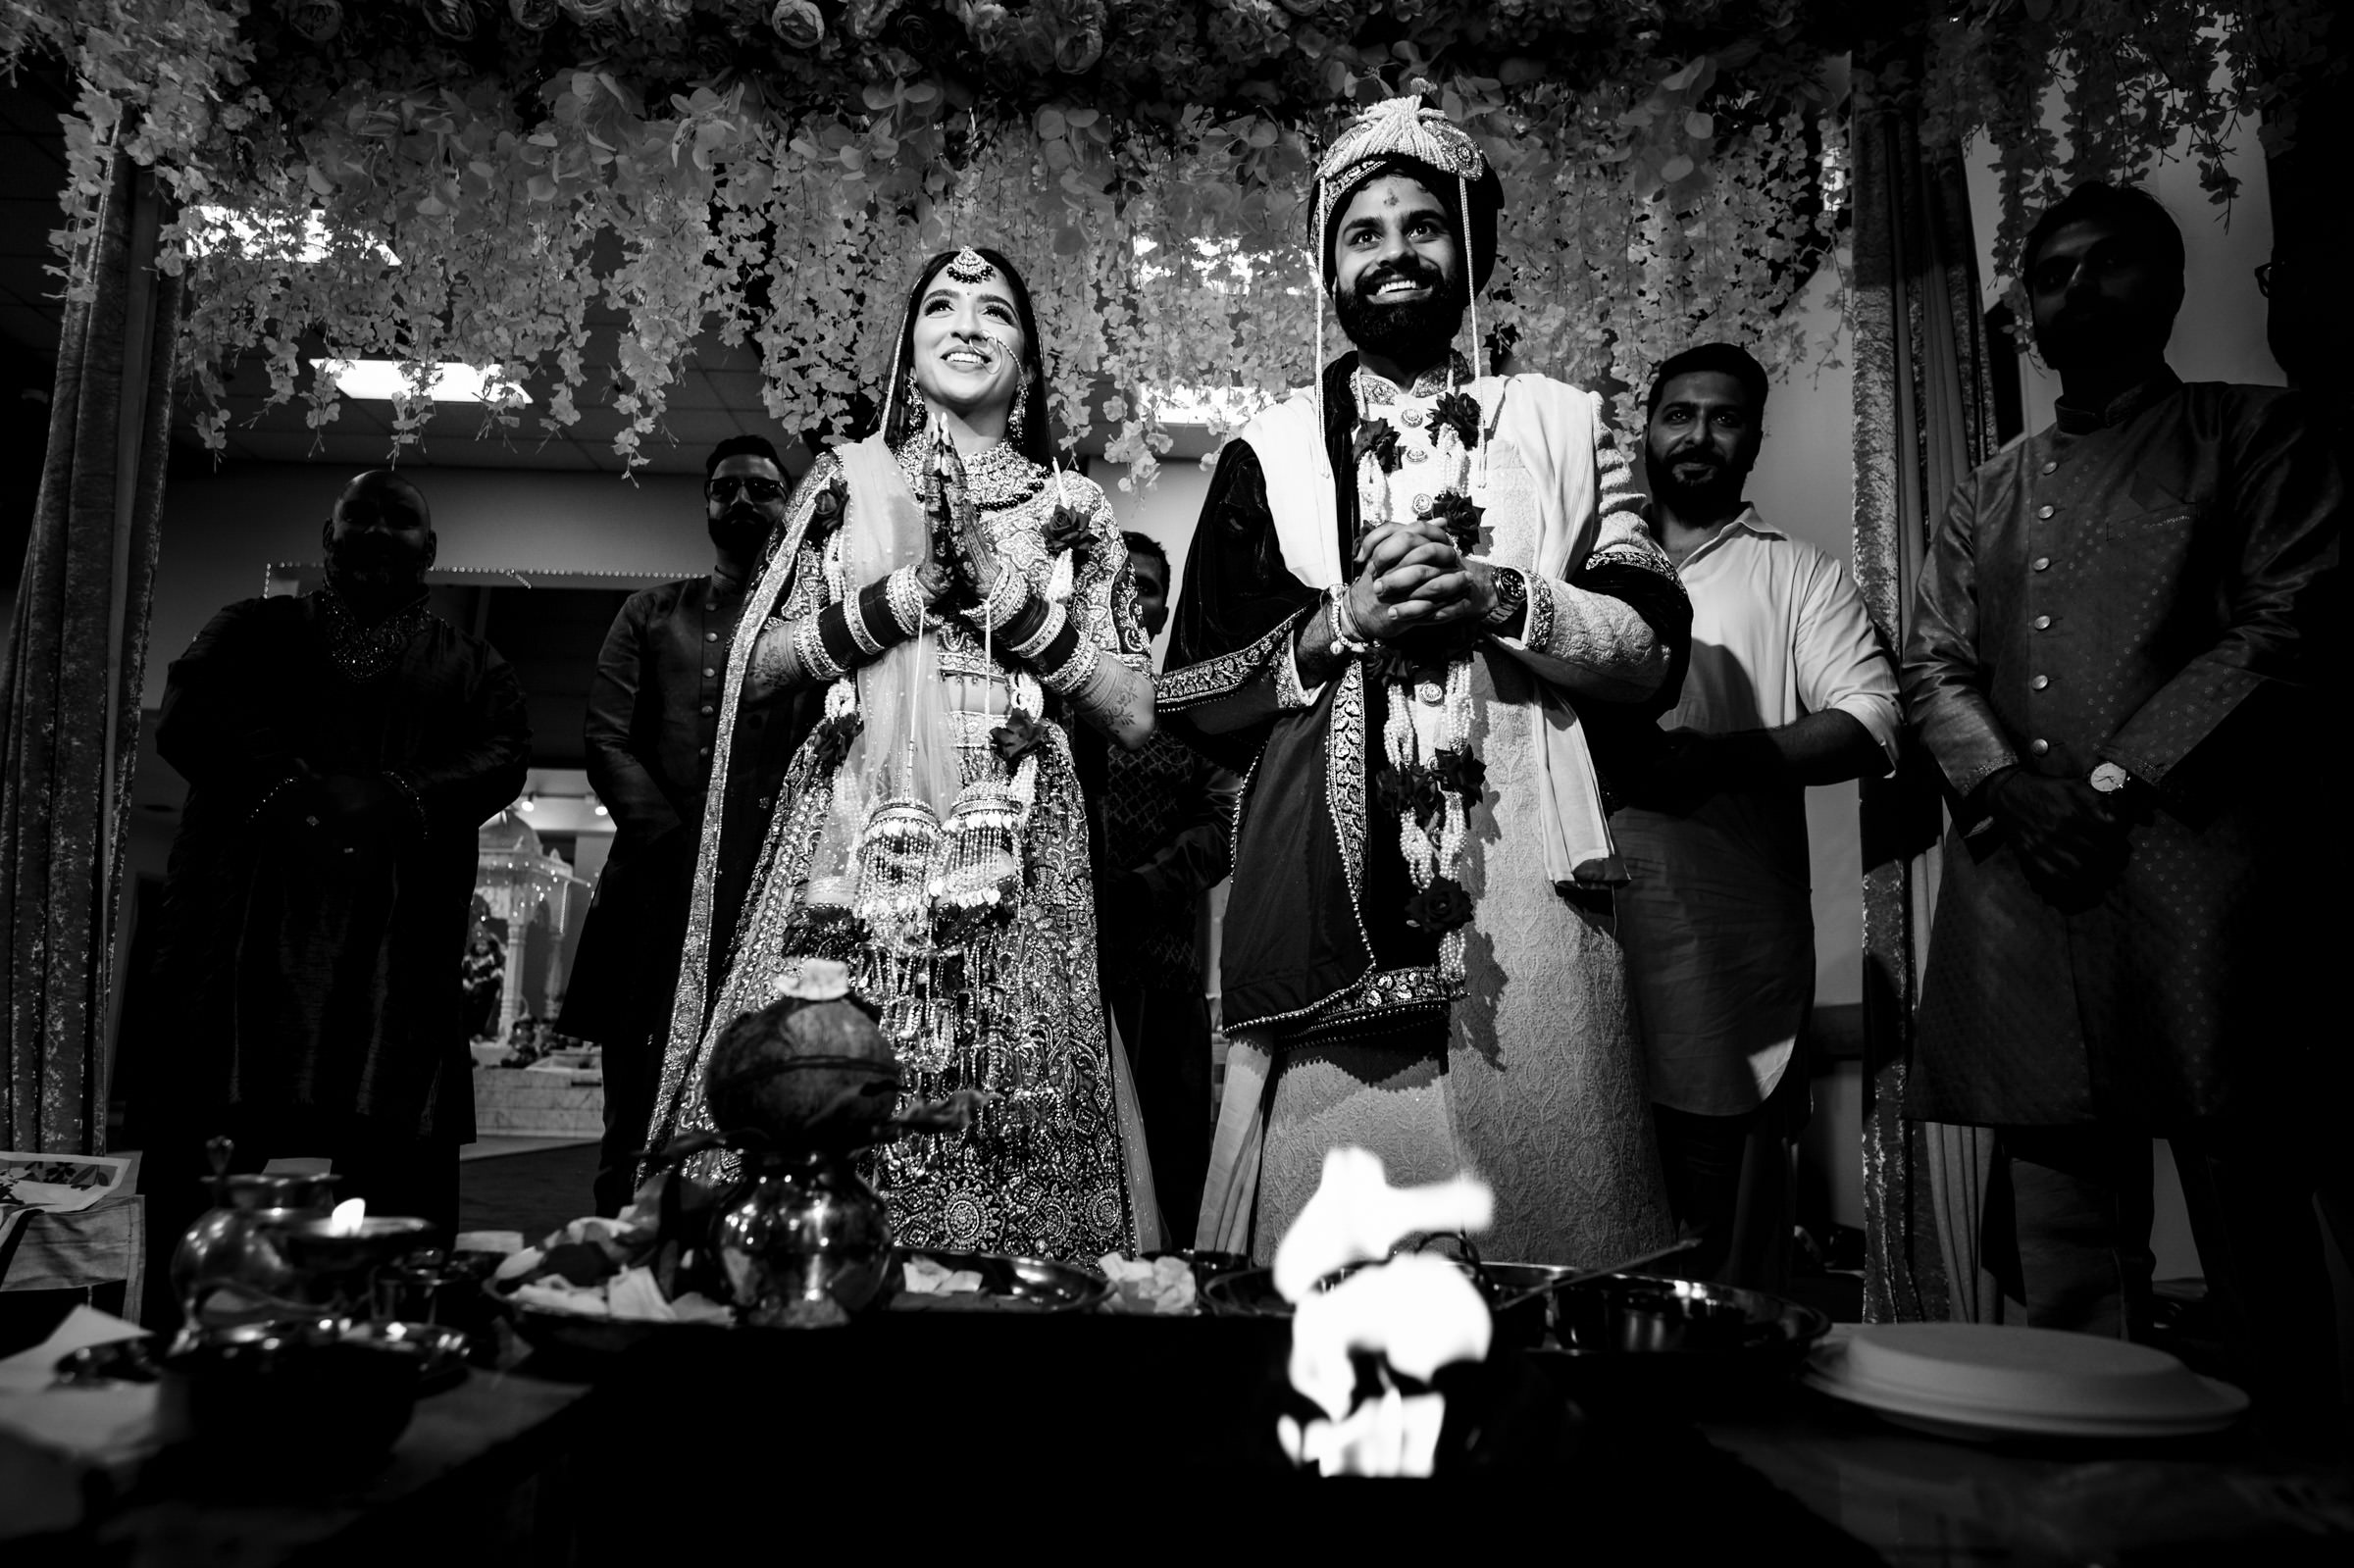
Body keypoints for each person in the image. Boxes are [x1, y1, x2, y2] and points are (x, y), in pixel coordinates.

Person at [1163, 97, 1692, 1264]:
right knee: (1345, 1283)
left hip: (1531, 894)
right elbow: (1196, 694)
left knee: (1552, 1260)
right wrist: (1342, 618)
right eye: (1363, 233)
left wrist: (1505, 597)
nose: (1394, 252)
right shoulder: (1270, 447)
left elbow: (1653, 654)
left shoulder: (1567, 424)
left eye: (1421, 225)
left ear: (1470, 250)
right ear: (1328, 271)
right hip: (1332, 892)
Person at [1904, 182, 2345, 1420]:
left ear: (2171, 285)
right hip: (2023, 883)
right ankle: (2082, 1476)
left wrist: (2106, 782)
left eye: (2108, 266)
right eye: (2052, 274)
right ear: (2028, 313)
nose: (2077, 291)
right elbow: (1932, 657)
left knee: (2246, 1201)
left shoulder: (2252, 434)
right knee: (2062, 1239)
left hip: (2197, 869)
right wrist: (2004, 785)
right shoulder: (1991, 483)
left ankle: (2291, 1477)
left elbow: (2286, 622)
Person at [645, 246, 1159, 1261]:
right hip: (853, 830)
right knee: (824, 1074)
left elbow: (1135, 710)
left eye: (994, 311)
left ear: (1028, 358)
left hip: (1016, 850)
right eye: (941, 307)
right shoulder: (846, 482)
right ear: (909, 348)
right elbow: (759, 662)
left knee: (1012, 1090)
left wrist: (1001, 600)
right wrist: (904, 599)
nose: (966, 325)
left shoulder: (1075, 509)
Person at [147, 469, 532, 1255]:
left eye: (400, 519)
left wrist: (392, 795)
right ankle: (191, 1339)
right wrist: (297, 797)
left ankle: (382, 1349)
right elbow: (189, 715)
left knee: (397, 1203)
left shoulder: (473, 665)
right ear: (328, 537)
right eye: (361, 515)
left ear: (431, 548)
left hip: (395, 951)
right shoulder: (249, 629)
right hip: (244, 947)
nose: (380, 531)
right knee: (201, 1196)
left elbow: (502, 756)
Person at [1611, 343, 1899, 1290]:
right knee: (1587, 1187)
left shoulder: (1799, 574)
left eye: (1724, 417)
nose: (1697, 435)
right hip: (1583, 934)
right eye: (1679, 413)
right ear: (1645, 428)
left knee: (1712, 1236)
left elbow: (1868, 718)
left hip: (1721, 947)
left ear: (1755, 437)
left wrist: (1719, 759)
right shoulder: (1585, 566)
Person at [562, 434, 793, 1214]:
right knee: (636, 1103)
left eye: (762, 490)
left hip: (772, 906)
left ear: (790, 505)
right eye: (724, 487)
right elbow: (604, 738)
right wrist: (677, 844)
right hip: (654, 899)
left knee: (770, 1100)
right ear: (704, 504)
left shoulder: (817, 627)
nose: (741, 502)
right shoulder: (651, 612)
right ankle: (623, 1257)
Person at [1091, 531, 1241, 1242]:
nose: (1129, 594)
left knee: (1168, 1160)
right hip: (1068, 969)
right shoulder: (1054, 700)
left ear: (1162, 607)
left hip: (1164, 974)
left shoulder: (1188, 706)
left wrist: (1148, 886)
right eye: (1115, 579)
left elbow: (1226, 818)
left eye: (1144, 585)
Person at [461, 931, 505, 1041]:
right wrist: (465, 982)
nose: (480, 947)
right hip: (468, 990)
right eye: (478, 944)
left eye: (483, 945)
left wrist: (482, 982)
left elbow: (497, 975)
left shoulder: (492, 960)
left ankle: (478, 1032)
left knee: (481, 1005)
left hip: (484, 992)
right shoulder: (468, 960)